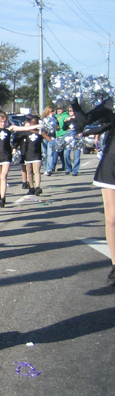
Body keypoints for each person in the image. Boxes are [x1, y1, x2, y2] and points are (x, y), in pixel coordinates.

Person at [71, 99, 115, 284]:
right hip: (112, 162)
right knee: (112, 218)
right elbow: (84, 121)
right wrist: (74, 101)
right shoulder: (110, 103)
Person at [11, 115, 47, 195]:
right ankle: (31, 187)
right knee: (29, 172)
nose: (33, 124)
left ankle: (38, 187)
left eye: (35, 123)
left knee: (37, 171)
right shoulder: (26, 132)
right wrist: (14, 147)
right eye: (32, 123)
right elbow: (17, 140)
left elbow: (49, 139)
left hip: (37, 154)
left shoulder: (40, 132)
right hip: (28, 155)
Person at [0, 111, 14, 207]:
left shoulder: (9, 129)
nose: (3, 124)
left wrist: (36, 126)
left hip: (7, 155)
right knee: (0, 177)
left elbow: (23, 128)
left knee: (4, 176)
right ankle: (1, 195)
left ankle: (3, 197)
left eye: (4, 121)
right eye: (1, 122)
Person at [62, 108, 82, 176]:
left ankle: (75, 170)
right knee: (66, 153)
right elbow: (64, 128)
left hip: (76, 137)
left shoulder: (78, 119)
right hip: (68, 138)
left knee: (76, 155)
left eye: (72, 110)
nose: (71, 112)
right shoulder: (68, 120)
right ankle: (68, 168)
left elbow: (81, 127)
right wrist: (65, 122)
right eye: (69, 111)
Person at [41, 105, 58, 175]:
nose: (53, 112)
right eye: (51, 111)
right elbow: (40, 129)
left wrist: (55, 127)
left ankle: (49, 169)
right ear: (47, 111)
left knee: (50, 154)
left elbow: (58, 128)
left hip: (52, 137)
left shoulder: (55, 119)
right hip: (44, 138)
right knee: (44, 154)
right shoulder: (42, 119)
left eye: (53, 111)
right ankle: (45, 168)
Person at [55, 104, 69, 172]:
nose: (59, 110)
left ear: (63, 109)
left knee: (65, 152)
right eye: (58, 109)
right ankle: (64, 166)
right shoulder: (56, 116)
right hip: (57, 136)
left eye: (60, 109)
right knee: (59, 153)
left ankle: (67, 166)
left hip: (63, 135)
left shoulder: (66, 116)